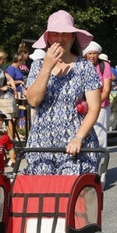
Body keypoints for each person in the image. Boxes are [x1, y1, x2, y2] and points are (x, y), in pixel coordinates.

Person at [25, 10, 102, 176]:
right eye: (55, 34)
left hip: (75, 143)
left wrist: (78, 138)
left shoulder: (85, 66)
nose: (60, 39)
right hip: (42, 143)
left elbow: (95, 108)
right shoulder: (38, 66)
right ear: (48, 38)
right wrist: (47, 67)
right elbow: (33, 101)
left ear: (73, 36)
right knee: (42, 196)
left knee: (70, 193)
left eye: (65, 34)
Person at [83, 41, 112, 150]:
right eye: (90, 53)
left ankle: (101, 160)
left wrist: (96, 104)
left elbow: (106, 89)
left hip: (101, 104)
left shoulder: (104, 65)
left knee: (100, 133)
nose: (92, 56)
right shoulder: (82, 65)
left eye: (95, 53)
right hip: (83, 106)